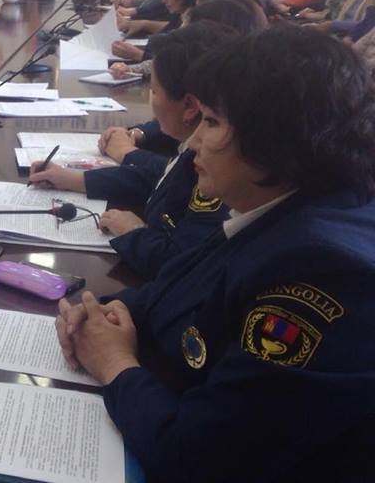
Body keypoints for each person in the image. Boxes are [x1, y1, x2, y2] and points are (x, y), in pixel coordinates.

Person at [56, 25, 375, 481]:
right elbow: (185, 285)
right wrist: (103, 312)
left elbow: (200, 459)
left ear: (274, 139)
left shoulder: (325, 273)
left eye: (211, 122)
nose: (193, 143)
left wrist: (113, 364)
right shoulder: (280, 206)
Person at [30, 23, 236, 278]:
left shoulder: (216, 171)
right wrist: (72, 179)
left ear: (189, 106)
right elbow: (158, 179)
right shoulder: (193, 152)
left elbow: (185, 267)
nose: (150, 99)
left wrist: (135, 234)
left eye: (154, 91)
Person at [102, 0, 268, 158]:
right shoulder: (214, 110)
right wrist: (139, 133)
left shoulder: (232, 140)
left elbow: (180, 171)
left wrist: (128, 153)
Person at [111, 0, 206, 63]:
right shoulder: (182, 15)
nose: (163, 0)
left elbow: (177, 64)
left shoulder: (198, 25)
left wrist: (138, 55)